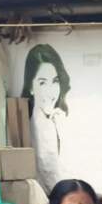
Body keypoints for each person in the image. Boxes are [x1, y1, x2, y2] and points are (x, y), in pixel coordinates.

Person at [22, 43, 71, 193]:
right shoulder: (41, 124)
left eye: (55, 81)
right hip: (53, 197)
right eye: (42, 83)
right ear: (31, 87)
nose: (51, 91)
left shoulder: (51, 119)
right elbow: (49, 173)